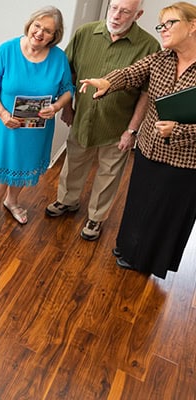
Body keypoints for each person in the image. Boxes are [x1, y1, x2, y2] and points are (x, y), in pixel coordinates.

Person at [80, 2, 196, 279]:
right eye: (161, 25)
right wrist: (108, 82)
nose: (163, 30)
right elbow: (132, 72)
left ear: (192, 26)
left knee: (163, 213)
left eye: (170, 23)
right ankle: (129, 249)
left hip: (184, 161)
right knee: (138, 204)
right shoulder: (161, 58)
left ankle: (147, 260)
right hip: (148, 149)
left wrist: (179, 131)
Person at [45, 0, 160, 241]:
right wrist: (67, 108)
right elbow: (69, 74)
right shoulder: (85, 33)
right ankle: (67, 201)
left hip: (118, 125)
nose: (117, 16)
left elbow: (146, 93)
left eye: (125, 11)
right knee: (74, 163)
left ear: (138, 14)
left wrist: (132, 130)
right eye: (114, 8)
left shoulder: (149, 46)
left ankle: (95, 218)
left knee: (109, 174)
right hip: (82, 117)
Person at [0, 6, 74, 230]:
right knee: (2, 165)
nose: (40, 33)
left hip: (36, 127)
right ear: (30, 25)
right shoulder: (7, 50)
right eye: (37, 26)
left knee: (23, 164)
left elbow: (68, 89)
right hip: (6, 123)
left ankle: (12, 201)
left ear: (55, 36)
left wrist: (57, 106)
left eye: (48, 31)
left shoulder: (59, 59)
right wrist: (3, 114)